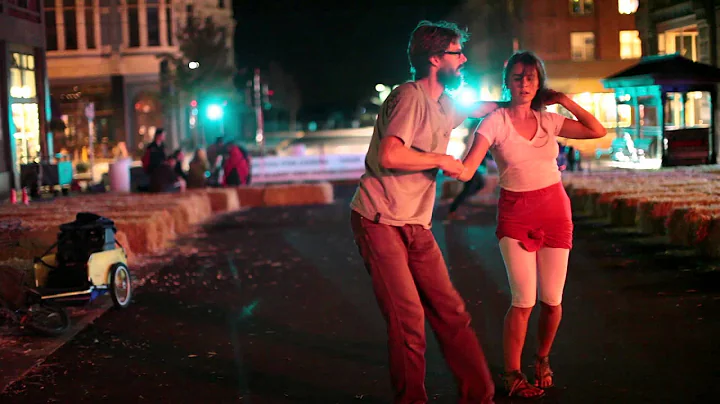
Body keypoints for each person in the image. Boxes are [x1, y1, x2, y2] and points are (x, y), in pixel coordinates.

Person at [349, 20, 504, 404]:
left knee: (450, 311)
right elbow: (390, 153)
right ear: (435, 59)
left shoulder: (443, 103)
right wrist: (442, 160)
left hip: (416, 224)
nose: (464, 58)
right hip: (380, 220)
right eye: (457, 52)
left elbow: (478, 109)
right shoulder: (408, 96)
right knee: (409, 321)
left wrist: (523, 102)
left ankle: (479, 395)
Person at [457, 51, 606, 398]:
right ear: (507, 81)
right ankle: (512, 374)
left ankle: (542, 358)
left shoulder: (549, 120)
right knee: (524, 300)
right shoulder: (494, 122)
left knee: (552, 301)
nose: (524, 83)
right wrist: (434, 164)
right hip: (516, 213)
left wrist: (564, 100)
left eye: (531, 77)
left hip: (555, 210)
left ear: (540, 82)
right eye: (517, 77)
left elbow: (597, 130)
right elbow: (468, 168)